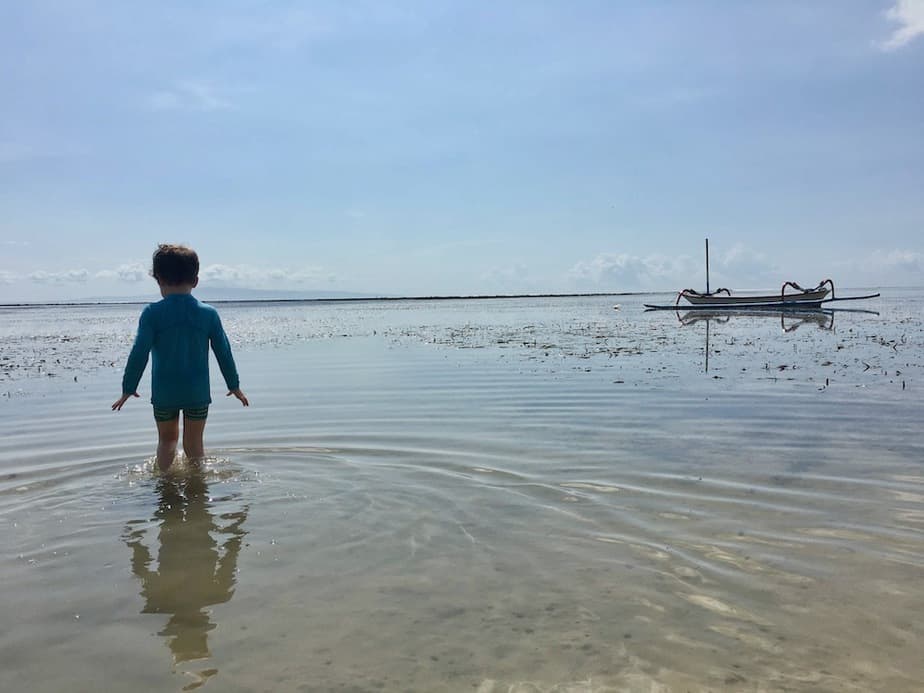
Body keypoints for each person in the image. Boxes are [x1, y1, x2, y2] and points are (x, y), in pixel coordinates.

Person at [112, 244, 249, 470]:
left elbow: (139, 352)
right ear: (195, 280)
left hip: (165, 393)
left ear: (158, 279)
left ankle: (165, 489)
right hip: (197, 392)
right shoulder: (208, 314)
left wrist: (128, 387)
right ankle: (198, 491)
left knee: (167, 441)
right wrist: (234, 386)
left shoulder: (151, 313)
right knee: (195, 445)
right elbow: (223, 351)